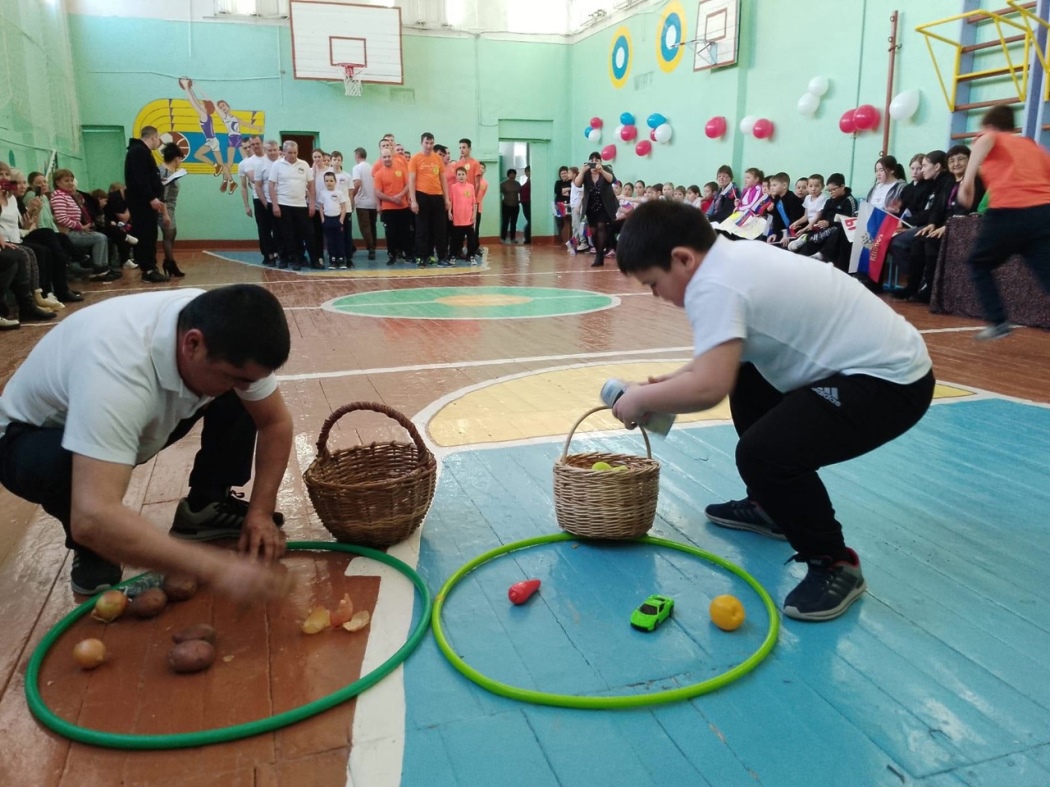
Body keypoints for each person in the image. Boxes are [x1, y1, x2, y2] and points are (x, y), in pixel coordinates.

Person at [611, 200, 935, 621]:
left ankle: (834, 562)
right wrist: (671, 383)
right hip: (868, 368)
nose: (656, 296)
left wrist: (641, 399)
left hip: (890, 384)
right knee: (746, 374)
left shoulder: (715, 285)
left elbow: (709, 386)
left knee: (763, 455)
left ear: (682, 259)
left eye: (653, 284)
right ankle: (772, 507)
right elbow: (722, 357)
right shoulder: (726, 255)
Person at [0, 285, 294, 600]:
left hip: (128, 420)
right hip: (27, 441)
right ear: (192, 344)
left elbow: (275, 422)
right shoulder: (117, 369)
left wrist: (261, 512)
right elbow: (93, 515)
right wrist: (218, 568)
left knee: (242, 394)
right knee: (73, 482)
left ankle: (206, 503)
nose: (242, 382)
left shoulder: (221, 328)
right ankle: (94, 547)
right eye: (233, 374)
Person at [957, 104, 1050, 340]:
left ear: (989, 124)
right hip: (1042, 214)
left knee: (979, 263)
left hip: (1010, 211)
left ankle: (998, 321)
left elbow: (986, 141)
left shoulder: (991, 136)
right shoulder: (1032, 147)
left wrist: (966, 182)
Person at [124, 125, 170, 282]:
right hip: (142, 202)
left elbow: (146, 176)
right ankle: (149, 270)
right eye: (158, 139)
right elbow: (140, 178)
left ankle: (150, 268)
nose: (158, 143)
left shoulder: (141, 151)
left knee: (149, 234)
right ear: (153, 137)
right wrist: (151, 197)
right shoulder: (139, 151)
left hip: (144, 201)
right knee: (146, 235)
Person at [268, 140, 319, 271]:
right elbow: (271, 185)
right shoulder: (277, 165)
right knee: (288, 235)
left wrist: (312, 204)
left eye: (295, 152)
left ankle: (315, 261)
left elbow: (311, 185)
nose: (293, 155)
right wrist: (275, 205)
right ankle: (295, 260)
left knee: (309, 234)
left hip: (301, 205)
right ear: (284, 152)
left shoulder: (304, 164)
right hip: (284, 204)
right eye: (290, 152)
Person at [408, 132, 449, 266]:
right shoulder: (415, 158)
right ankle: (421, 257)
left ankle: (442, 257)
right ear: (422, 143)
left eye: (431, 143)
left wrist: (446, 199)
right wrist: (413, 200)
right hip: (422, 196)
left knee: (440, 229)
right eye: (427, 143)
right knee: (422, 229)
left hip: (437, 197)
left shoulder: (437, 158)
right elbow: (412, 180)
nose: (429, 146)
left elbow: (443, 179)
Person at [573, 152, 618, 267]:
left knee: (601, 227)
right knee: (593, 231)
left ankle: (599, 256)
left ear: (600, 162)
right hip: (590, 206)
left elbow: (612, 180)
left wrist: (601, 170)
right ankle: (599, 251)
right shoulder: (586, 172)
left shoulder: (605, 169)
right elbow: (577, 184)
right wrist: (582, 171)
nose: (594, 162)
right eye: (592, 160)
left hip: (604, 205)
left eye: (597, 160)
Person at [373, 147, 411, 265]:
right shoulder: (379, 174)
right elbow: (377, 192)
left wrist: (400, 196)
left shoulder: (401, 169)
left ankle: (408, 254)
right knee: (391, 234)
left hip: (403, 207)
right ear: (381, 158)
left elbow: (408, 185)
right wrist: (391, 199)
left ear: (392, 156)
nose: (387, 159)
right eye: (384, 157)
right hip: (388, 209)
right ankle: (392, 255)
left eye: (389, 156)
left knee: (405, 232)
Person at [159, 142, 186, 278]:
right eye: (180, 158)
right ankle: (170, 263)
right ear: (176, 158)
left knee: (172, 233)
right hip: (165, 207)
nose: (180, 161)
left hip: (170, 207)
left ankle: (169, 261)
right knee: (168, 235)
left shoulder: (168, 171)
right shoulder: (164, 172)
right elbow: (162, 195)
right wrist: (165, 214)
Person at [253, 139, 282, 267]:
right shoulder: (261, 165)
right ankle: (268, 255)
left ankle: (279, 253)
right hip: (263, 201)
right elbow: (258, 186)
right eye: (269, 150)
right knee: (264, 230)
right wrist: (265, 203)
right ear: (265, 151)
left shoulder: (283, 162)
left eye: (275, 150)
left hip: (281, 201)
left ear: (278, 149)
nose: (272, 153)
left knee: (279, 229)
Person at [448, 166, 478, 264]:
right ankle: (453, 256)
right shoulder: (453, 187)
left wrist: (474, 215)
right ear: (456, 176)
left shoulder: (471, 187)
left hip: (468, 218)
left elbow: (474, 202)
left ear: (466, 176)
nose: (461, 176)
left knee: (471, 239)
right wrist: (449, 212)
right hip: (457, 218)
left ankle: (471, 256)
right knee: (456, 239)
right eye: (459, 174)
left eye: (463, 174)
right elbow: (451, 201)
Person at [318, 171, 348, 269]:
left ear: (335, 181)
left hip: (337, 220)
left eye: (331, 180)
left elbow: (344, 207)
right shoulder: (322, 193)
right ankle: (333, 260)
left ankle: (341, 260)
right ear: (324, 182)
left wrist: (341, 220)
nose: (329, 183)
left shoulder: (339, 193)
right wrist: (323, 219)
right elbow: (321, 207)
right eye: (326, 181)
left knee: (339, 240)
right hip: (327, 220)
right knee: (330, 241)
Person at [351, 148, 377, 260]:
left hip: (362, 202)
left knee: (365, 227)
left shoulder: (357, 168)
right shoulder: (372, 168)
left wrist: (352, 195)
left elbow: (357, 183)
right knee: (372, 226)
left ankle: (370, 248)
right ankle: (373, 247)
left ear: (357, 156)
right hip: (374, 202)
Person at [499, 168, 522, 244]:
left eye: (514, 174)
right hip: (506, 205)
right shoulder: (503, 184)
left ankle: (513, 238)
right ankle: (503, 238)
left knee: (513, 223)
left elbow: (520, 194)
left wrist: (519, 201)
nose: (512, 175)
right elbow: (498, 194)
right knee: (505, 222)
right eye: (511, 174)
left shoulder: (518, 184)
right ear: (508, 175)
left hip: (515, 206)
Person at [554, 166, 572, 245]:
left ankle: (570, 240)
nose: (563, 175)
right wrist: (568, 189)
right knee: (559, 222)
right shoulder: (558, 182)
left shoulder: (571, 182)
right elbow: (557, 191)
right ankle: (560, 240)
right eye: (562, 173)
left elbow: (572, 191)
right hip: (559, 204)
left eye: (565, 173)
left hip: (569, 204)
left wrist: (563, 190)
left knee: (570, 222)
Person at [521, 166, 532, 244]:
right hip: (524, 203)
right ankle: (527, 237)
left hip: (528, 203)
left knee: (530, 220)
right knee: (529, 220)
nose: (527, 173)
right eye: (526, 171)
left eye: (528, 171)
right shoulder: (528, 180)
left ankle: (528, 238)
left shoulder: (532, 181)